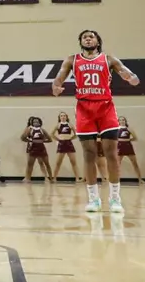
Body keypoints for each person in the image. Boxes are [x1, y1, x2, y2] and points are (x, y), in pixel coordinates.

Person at [52, 29, 140, 212]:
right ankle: (93, 199)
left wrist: (131, 78)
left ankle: (115, 198)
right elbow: (58, 78)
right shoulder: (72, 59)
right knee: (89, 154)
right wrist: (56, 87)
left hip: (106, 107)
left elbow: (129, 74)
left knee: (111, 153)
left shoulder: (109, 59)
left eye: (91, 36)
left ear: (97, 41)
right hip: (84, 108)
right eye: (84, 37)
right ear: (80, 41)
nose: (88, 39)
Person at [115, 117, 144, 185]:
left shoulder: (129, 129)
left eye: (123, 120)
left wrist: (128, 140)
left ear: (125, 121)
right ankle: (117, 180)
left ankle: (140, 179)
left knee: (134, 163)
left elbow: (135, 138)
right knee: (118, 164)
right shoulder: (116, 129)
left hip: (128, 147)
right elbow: (114, 139)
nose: (122, 121)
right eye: (120, 120)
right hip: (119, 147)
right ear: (118, 121)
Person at [21, 116, 51, 182]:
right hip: (30, 147)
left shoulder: (40, 129)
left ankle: (46, 177)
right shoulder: (28, 128)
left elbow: (47, 138)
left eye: (36, 121)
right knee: (29, 163)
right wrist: (30, 140)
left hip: (39, 146)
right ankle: (27, 177)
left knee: (41, 162)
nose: (35, 122)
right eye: (32, 121)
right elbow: (23, 137)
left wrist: (42, 141)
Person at [49, 111, 76, 182]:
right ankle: (54, 178)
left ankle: (77, 178)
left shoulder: (70, 125)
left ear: (67, 117)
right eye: (61, 116)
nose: (63, 117)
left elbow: (76, 133)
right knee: (58, 162)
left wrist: (71, 138)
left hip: (69, 143)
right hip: (61, 144)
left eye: (64, 116)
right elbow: (51, 134)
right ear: (59, 117)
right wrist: (58, 139)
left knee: (73, 162)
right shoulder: (58, 125)